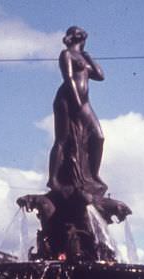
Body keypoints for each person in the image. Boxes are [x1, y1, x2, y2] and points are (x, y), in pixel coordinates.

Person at [48, 26, 107, 205]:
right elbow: (69, 78)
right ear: (78, 37)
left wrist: (89, 56)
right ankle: (53, 178)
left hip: (84, 103)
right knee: (62, 139)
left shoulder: (84, 57)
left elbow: (100, 75)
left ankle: (94, 175)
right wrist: (76, 102)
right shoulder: (66, 54)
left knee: (98, 137)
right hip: (67, 100)